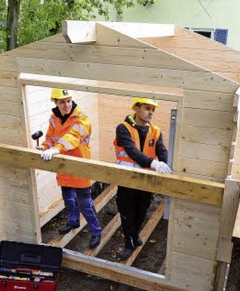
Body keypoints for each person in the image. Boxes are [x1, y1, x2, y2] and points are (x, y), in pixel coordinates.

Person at [39, 88, 102, 248]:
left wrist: (56, 148)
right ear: (56, 103)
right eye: (62, 102)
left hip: (79, 166)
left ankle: (96, 231)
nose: (66, 105)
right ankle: (73, 222)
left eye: (68, 101)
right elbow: (50, 138)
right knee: (68, 198)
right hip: (63, 166)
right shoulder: (54, 119)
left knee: (85, 203)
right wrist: (45, 147)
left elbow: (73, 137)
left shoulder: (81, 119)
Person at [114, 97, 171, 260]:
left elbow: (162, 151)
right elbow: (132, 152)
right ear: (137, 108)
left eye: (153, 109)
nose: (151, 112)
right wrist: (154, 163)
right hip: (127, 179)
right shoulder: (123, 128)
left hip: (146, 180)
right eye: (147, 108)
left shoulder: (156, 131)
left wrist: (167, 165)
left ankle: (135, 233)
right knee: (127, 212)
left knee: (142, 210)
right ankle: (128, 243)